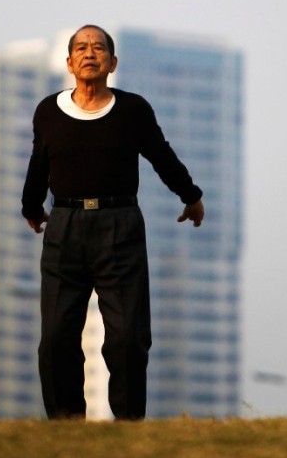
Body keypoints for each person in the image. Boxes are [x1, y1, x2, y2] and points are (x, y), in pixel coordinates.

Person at [21, 24, 205, 420]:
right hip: (64, 228)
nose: (90, 53)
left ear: (113, 62)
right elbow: (40, 163)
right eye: (82, 48)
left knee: (127, 339)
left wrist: (190, 195)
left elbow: (161, 155)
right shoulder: (49, 111)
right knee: (55, 338)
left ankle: (128, 428)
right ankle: (66, 425)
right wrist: (31, 207)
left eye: (99, 48)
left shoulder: (133, 110)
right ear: (69, 63)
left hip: (119, 227)